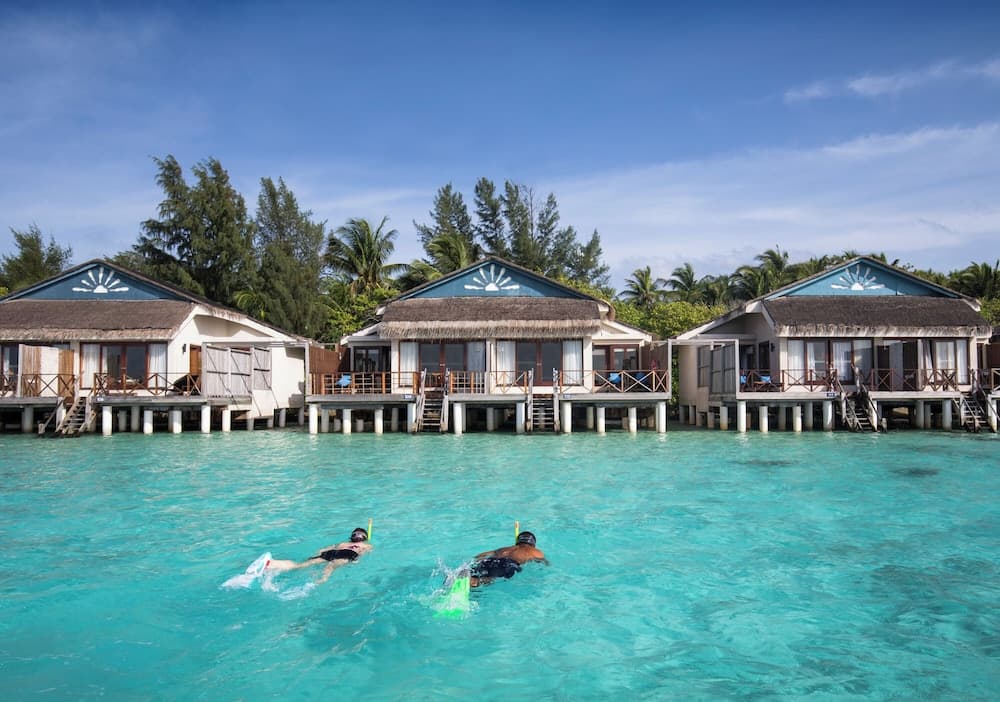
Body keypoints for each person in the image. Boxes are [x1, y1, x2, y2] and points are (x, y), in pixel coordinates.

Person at [265, 527, 372, 584]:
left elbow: (327, 548)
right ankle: (321, 580)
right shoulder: (366, 545)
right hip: (348, 554)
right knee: (330, 567)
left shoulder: (342, 543)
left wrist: (318, 554)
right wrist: (356, 559)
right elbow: (363, 553)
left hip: (332, 552)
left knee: (301, 565)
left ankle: (272, 564)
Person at [469, 530, 548, 588]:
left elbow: (481, 556)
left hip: (490, 560)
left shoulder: (505, 549)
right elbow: (544, 562)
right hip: (507, 564)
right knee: (493, 579)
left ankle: (470, 578)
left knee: (479, 572)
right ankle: (475, 581)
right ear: (533, 544)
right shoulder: (535, 551)